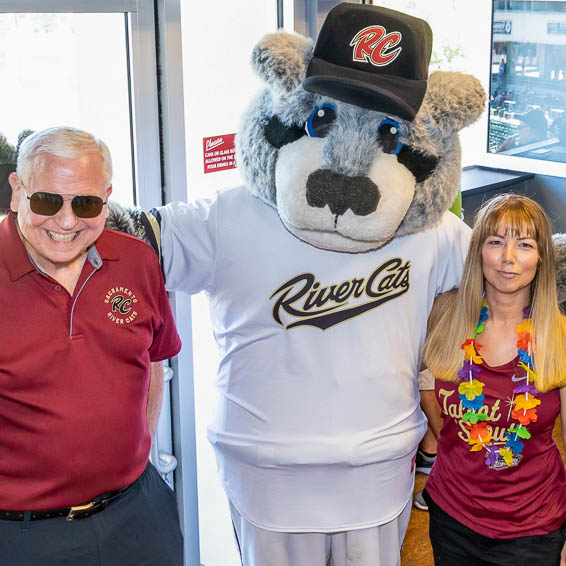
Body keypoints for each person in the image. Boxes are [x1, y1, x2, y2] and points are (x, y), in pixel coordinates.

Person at [0, 126, 183, 565]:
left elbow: (152, 362)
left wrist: (133, 462)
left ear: (106, 197)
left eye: (85, 203)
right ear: (17, 190)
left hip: (139, 517)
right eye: (46, 201)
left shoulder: (137, 260)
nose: (66, 222)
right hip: (21, 538)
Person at [422, 194, 566, 566]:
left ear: (541, 258)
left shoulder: (560, 337)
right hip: (451, 516)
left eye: (524, 244)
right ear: (478, 251)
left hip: (532, 529)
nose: (508, 258)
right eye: (496, 242)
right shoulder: (444, 315)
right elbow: (431, 405)